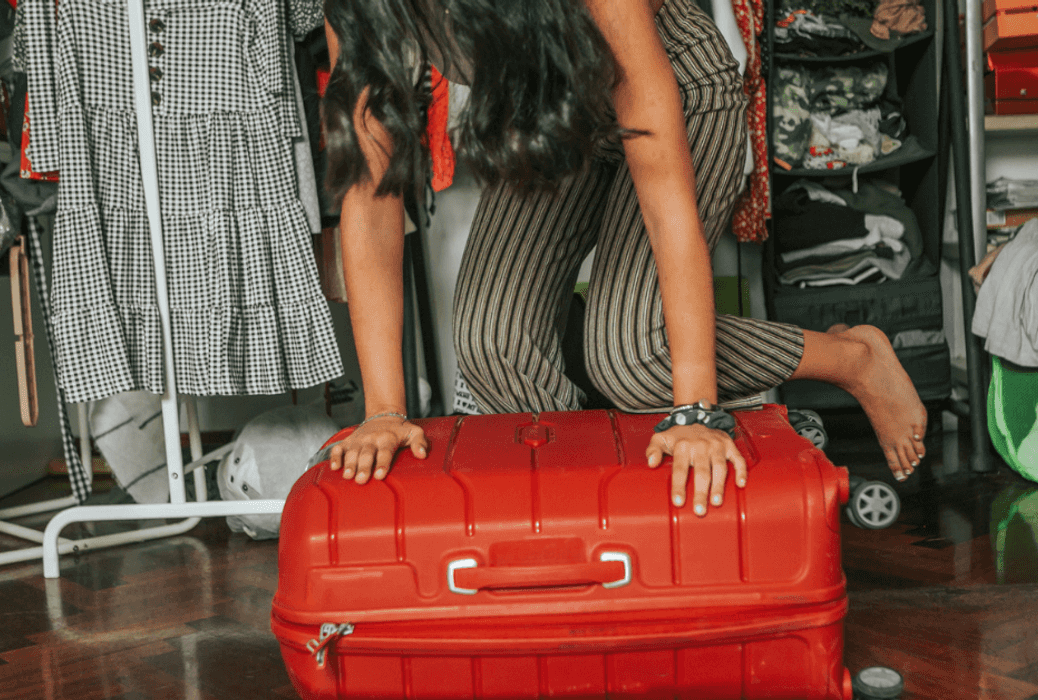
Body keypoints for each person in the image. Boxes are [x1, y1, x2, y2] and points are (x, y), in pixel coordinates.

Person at [322, 0, 928, 517]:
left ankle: (854, 358)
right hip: (546, 111)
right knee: (491, 346)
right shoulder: (363, 9)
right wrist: (384, 412)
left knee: (632, 357)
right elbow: (372, 197)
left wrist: (695, 412)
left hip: (675, 86)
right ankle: (586, 508)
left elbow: (669, 211)